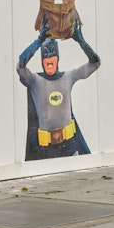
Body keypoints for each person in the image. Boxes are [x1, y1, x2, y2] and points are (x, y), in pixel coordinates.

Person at [16, 17, 101, 159]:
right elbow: (20, 66)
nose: (49, 57)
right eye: (46, 54)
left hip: (70, 146)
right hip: (45, 150)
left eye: (52, 54)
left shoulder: (68, 77)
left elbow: (95, 63)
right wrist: (38, 41)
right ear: (42, 60)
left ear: (58, 58)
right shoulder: (35, 80)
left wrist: (81, 41)